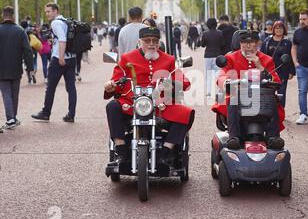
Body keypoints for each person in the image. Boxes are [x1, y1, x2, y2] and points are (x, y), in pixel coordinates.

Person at [104, 27, 195, 165]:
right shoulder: (126, 58)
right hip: (132, 104)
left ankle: (165, 153)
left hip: (160, 106)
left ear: (159, 43)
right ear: (140, 42)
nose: (151, 44)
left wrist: (173, 83)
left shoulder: (169, 59)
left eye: (155, 41)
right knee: (112, 106)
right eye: (147, 41)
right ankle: (121, 151)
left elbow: (183, 81)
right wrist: (110, 85)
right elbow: (116, 80)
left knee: (185, 113)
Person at [212, 30, 284, 150]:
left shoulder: (266, 59)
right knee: (233, 98)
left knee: (273, 98)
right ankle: (234, 137)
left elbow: (275, 81)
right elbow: (222, 75)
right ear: (240, 43)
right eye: (244, 43)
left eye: (251, 43)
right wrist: (228, 82)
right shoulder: (230, 58)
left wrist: (260, 66)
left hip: (261, 99)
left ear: (258, 43)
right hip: (237, 98)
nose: (248, 46)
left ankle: (273, 137)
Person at [32, 3, 77, 123]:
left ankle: (46, 113)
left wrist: (61, 58)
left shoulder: (55, 23)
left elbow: (62, 40)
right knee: (71, 87)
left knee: (50, 87)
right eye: (46, 12)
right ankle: (71, 114)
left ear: (55, 11)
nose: (47, 14)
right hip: (72, 57)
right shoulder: (65, 21)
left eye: (49, 11)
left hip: (59, 59)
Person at [0, 6, 34, 129]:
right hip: (16, 67)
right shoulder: (20, 31)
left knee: (6, 93)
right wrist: (30, 68)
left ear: (3, 15)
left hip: (1, 68)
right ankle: (13, 117)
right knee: (15, 94)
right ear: (13, 16)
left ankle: (10, 119)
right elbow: (27, 50)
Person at [261, 21, 295, 108]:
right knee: (268, 92)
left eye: (281, 28)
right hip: (269, 71)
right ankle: (268, 112)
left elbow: (291, 57)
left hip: (283, 71)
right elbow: (262, 55)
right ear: (273, 29)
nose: (279, 30)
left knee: (281, 93)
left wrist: (291, 71)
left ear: (284, 29)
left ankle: (280, 112)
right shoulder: (267, 41)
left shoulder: (287, 42)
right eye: (277, 28)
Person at [201, 18, 225, 97]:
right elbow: (223, 44)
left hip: (208, 55)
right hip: (218, 56)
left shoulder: (205, 33)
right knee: (218, 74)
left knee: (208, 75)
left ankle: (208, 92)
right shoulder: (220, 33)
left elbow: (203, 45)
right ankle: (219, 90)